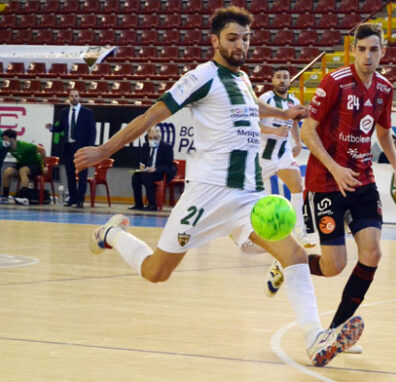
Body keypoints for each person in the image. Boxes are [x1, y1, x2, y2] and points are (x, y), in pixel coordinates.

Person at [73, 6, 363, 367]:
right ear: (214, 41)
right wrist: (104, 149)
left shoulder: (241, 79)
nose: (241, 45)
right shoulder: (201, 77)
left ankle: (314, 338)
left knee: (295, 254)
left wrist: (283, 114)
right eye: (232, 38)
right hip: (207, 195)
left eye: (245, 38)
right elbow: (151, 115)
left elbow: (251, 107)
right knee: (156, 273)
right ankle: (113, 234)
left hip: (248, 196)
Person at [265, 24, 396, 353]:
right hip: (327, 183)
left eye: (374, 49)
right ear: (354, 51)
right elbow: (307, 132)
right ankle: (288, 265)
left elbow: (384, 132)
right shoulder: (335, 82)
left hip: (363, 182)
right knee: (334, 266)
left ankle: (333, 331)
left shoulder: (385, 88)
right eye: (362, 49)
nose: (368, 56)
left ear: (383, 52)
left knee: (372, 253)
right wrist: (335, 167)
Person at [257, 66, 315, 247]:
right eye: (278, 77)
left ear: (290, 81)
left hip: (283, 152)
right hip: (263, 154)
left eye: (285, 77)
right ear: (272, 80)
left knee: (298, 187)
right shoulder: (265, 99)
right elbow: (253, 124)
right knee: (255, 196)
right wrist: (274, 130)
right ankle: (255, 233)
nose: (282, 80)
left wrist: (297, 142)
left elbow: (295, 123)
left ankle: (299, 231)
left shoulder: (294, 101)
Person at [45, 89, 96, 208]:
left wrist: (89, 148)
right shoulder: (65, 112)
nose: (74, 98)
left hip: (81, 148)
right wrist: (52, 128)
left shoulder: (87, 112)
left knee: (82, 174)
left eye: (76, 96)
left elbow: (92, 131)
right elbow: (61, 127)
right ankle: (72, 198)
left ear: (80, 97)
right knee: (70, 174)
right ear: (69, 97)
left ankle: (80, 199)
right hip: (68, 147)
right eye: (72, 96)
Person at [129, 126, 176, 211]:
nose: (152, 139)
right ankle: (138, 204)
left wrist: (155, 169)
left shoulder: (167, 147)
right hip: (147, 171)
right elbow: (142, 161)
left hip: (160, 172)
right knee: (135, 177)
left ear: (159, 136)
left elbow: (169, 165)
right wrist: (142, 166)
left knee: (146, 177)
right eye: (150, 137)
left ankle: (152, 204)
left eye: (155, 137)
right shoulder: (146, 145)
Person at [0, 129, 46, 205]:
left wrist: (44, 166)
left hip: (35, 165)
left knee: (23, 170)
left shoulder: (26, 146)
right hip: (23, 164)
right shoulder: (8, 148)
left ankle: (25, 197)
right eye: (3, 139)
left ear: (13, 139)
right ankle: (5, 196)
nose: (4, 141)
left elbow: (42, 150)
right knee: (7, 172)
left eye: (6, 139)